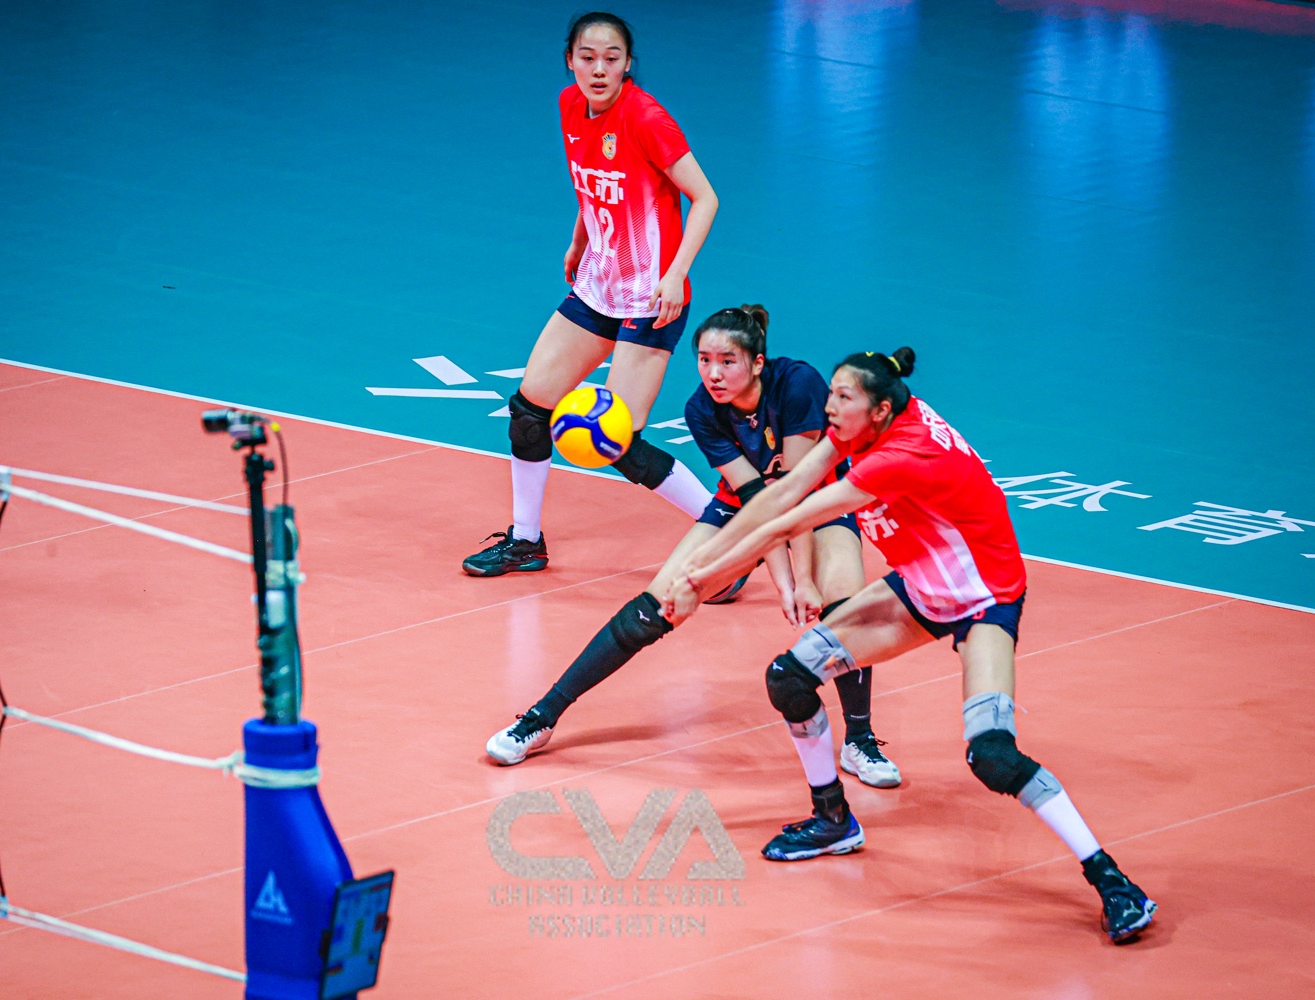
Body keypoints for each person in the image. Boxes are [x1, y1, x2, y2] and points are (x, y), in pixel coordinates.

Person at [662, 348, 1157, 944]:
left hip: (983, 596)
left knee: (993, 755)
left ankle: (1112, 880)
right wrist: (700, 573)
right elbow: (785, 491)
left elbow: (788, 523)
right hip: (920, 585)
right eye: (832, 393)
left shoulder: (900, 456)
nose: (829, 406)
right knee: (790, 677)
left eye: (844, 397)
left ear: (880, 410)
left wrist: (698, 581)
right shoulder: (868, 422)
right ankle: (832, 819)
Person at [486, 306, 901, 790]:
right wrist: (784, 584)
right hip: (748, 507)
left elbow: (794, 493)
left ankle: (859, 740)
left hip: (818, 499)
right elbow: (758, 501)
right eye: (704, 360)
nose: (713, 373)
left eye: (727, 361)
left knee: (844, 604)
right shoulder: (701, 410)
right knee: (653, 608)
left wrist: (804, 582)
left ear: (758, 363)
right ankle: (541, 717)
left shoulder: (798, 384)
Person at [464, 11, 720, 577]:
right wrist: (580, 239)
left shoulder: (647, 118)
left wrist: (676, 273)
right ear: (570, 61)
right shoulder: (569, 106)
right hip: (597, 284)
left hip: (651, 298)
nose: (598, 69)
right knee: (529, 411)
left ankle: (727, 539)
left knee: (617, 440)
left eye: (611, 58)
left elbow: (705, 198)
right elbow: (592, 184)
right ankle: (526, 541)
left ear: (628, 64)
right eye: (587, 57)